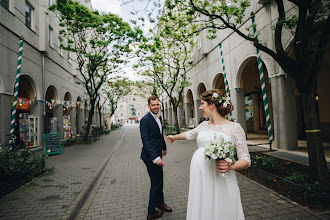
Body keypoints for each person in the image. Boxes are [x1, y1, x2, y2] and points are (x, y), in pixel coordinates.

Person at [166, 89, 250, 219]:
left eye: (202, 104)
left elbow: (245, 159)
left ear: (212, 105)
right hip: (201, 178)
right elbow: (188, 134)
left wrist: (231, 166)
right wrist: (174, 137)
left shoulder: (235, 128)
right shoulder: (203, 125)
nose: (199, 108)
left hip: (222, 179)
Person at [140, 95, 173, 220]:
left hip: (158, 153)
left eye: (157, 104)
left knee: (160, 180)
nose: (155, 107)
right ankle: (151, 212)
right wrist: (155, 158)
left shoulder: (158, 117)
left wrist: (164, 148)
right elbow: (146, 140)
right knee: (155, 183)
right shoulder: (145, 120)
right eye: (153, 105)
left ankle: (160, 202)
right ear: (149, 106)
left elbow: (160, 135)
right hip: (150, 157)